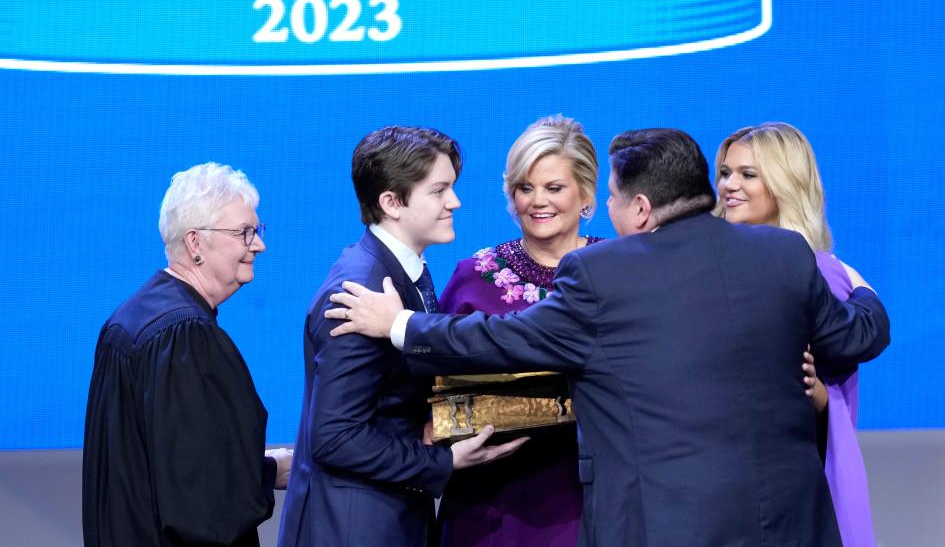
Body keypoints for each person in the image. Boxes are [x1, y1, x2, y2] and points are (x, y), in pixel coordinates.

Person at [325, 128, 891, 547]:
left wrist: (397, 324)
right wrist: (863, 290)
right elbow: (853, 337)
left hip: (670, 522)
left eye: (615, 199)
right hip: (787, 521)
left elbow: (506, 340)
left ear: (638, 207)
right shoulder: (785, 255)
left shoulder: (607, 271)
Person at [277, 126, 524, 547]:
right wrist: (443, 461)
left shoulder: (399, 272)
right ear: (391, 202)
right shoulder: (362, 290)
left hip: (389, 518)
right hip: (356, 529)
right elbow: (336, 438)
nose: (455, 202)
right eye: (439, 190)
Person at [82, 162, 292, 547]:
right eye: (244, 233)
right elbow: (204, 504)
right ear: (196, 243)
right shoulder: (186, 337)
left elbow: (168, 467)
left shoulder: (129, 317)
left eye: (256, 231)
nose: (258, 245)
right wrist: (269, 471)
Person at [437, 116, 598, 546]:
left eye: (554, 187)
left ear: (586, 194)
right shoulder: (474, 276)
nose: (537, 201)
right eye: (525, 188)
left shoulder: (620, 272)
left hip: (589, 503)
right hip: (489, 506)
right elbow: (432, 390)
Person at [715, 122, 877, 546]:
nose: (730, 185)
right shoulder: (706, 265)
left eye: (748, 175)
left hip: (789, 497)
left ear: (785, 183)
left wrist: (821, 398)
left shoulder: (821, 271)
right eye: (726, 173)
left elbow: (840, 378)